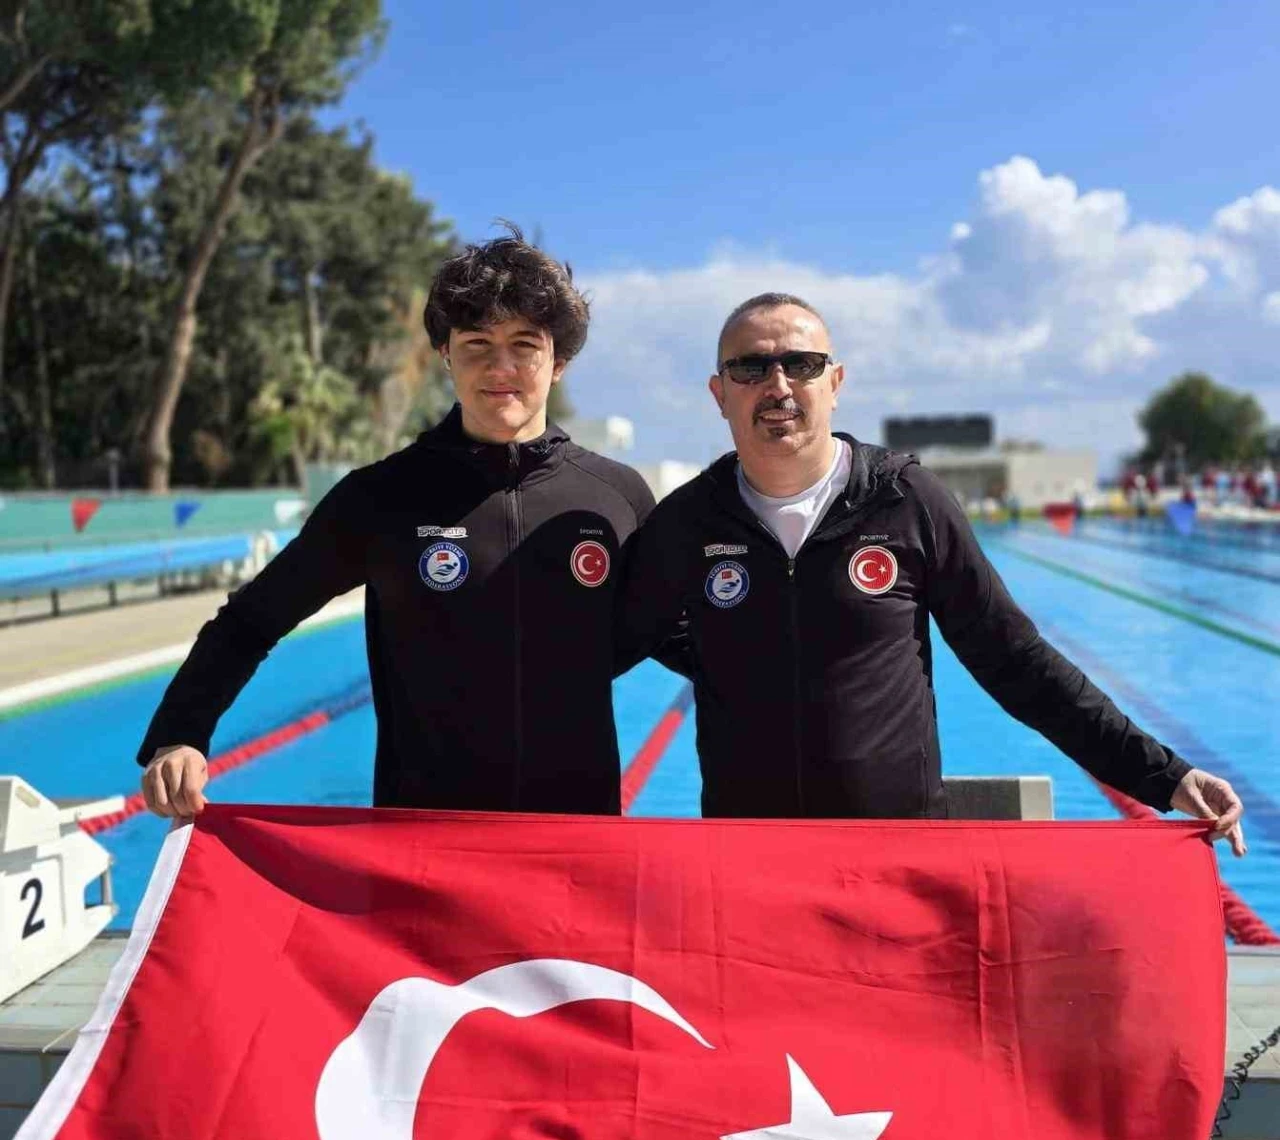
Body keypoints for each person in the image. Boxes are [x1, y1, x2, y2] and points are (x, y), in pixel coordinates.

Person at [618, 292, 1246, 855]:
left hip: (898, 857)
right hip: (749, 858)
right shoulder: (688, 522)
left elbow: (1013, 658)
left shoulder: (905, 500)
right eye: (751, 368)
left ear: (835, 382)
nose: (778, 385)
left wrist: (1164, 775)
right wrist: (731, 654)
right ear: (719, 393)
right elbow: (610, 644)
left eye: (802, 364)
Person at [138, 228, 655, 819]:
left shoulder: (616, 496)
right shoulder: (381, 497)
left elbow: (684, 632)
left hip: (577, 833)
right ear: (445, 355)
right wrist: (179, 734)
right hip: (422, 836)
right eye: (477, 343)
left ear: (557, 360)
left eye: (524, 344)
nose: (500, 366)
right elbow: (252, 619)